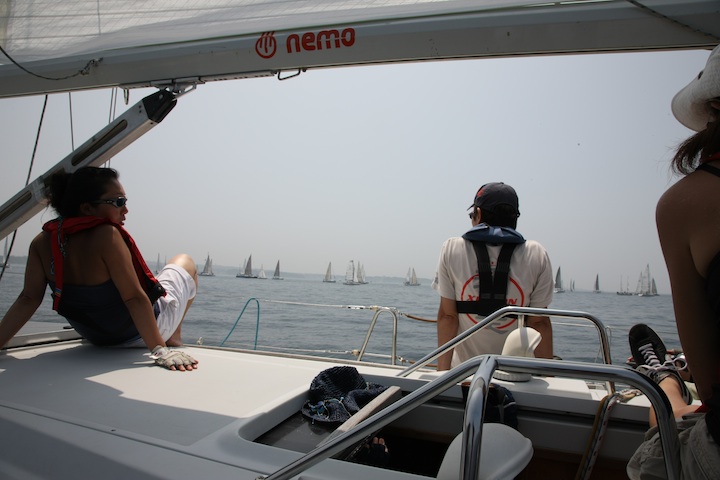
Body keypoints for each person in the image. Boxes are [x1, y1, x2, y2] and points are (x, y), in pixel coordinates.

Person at [626, 44, 720, 479]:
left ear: (713, 108)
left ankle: (662, 376)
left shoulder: (686, 202)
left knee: (665, 434)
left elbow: (708, 375)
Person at [0, 167, 199, 371]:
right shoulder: (107, 236)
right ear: (87, 208)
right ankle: (173, 336)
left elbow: (28, 299)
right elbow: (134, 298)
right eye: (118, 202)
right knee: (185, 262)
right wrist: (160, 350)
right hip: (140, 335)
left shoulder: (41, 242)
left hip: (95, 336)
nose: (125, 210)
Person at [432, 182, 554, 371]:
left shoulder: (452, 248)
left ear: (479, 214)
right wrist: (549, 379)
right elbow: (539, 323)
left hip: (463, 375)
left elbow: (448, 317)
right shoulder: (536, 253)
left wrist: (442, 375)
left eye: (472, 215)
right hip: (517, 377)